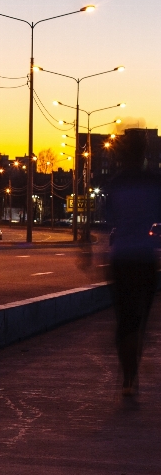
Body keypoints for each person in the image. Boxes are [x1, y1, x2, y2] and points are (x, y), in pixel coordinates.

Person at [104, 130, 161, 396]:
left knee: (124, 319)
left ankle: (128, 376)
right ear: (144, 154)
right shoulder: (153, 182)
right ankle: (132, 370)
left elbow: (109, 219)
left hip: (121, 257)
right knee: (141, 319)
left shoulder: (115, 183)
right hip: (145, 258)